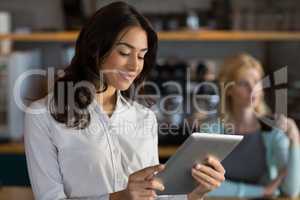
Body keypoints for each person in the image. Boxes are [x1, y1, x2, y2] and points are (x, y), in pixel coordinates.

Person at [24, 2, 225, 200]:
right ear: (95, 49)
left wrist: (194, 193)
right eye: (124, 53)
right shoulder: (42, 116)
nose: (134, 66)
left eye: (141, 56)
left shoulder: (145, 117)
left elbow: (153, 195)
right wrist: (119, 198)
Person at [201, 53, 300, 198]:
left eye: (257, 81)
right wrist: (262, 191)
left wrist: (295, 140)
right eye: (243, 83)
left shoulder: (273, 131)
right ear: (228, 90)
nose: (253, 89)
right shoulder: (211, 130)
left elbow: (291, 190)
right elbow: (203, 185)